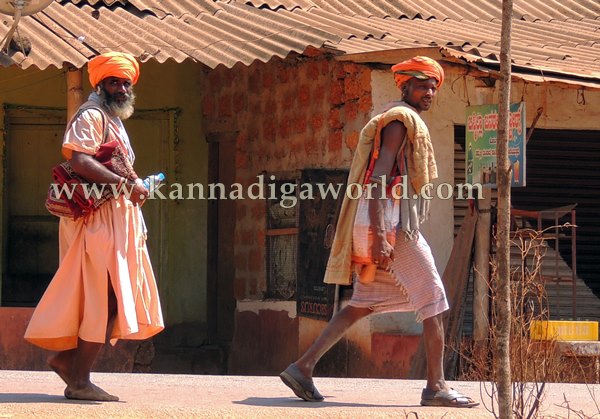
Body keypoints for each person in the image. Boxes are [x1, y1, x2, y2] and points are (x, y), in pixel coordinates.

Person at [280, 56, 479, 408]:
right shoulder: (399, 121)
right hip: (390, 223)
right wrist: (380, 231)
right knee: (434, 301)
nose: (429, 91)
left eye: (433, 86)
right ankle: (436, 387)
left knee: (360, 304)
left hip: (381, 221)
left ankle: (302, 367)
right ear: (405, 86)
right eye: (422, 85)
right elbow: (378, 178)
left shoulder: (397, 118)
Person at [25, 52, 164, 402]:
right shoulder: (90, 114)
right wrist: (125, 184)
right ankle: (79, 380)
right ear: (100, 83)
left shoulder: (112, 118)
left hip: (117, 219)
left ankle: (68, 362)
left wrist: (133, 186)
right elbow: (79, 158)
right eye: (113, 81)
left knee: (114, 296)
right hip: (98, 223)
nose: (120, 87)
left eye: (125, 82)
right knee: (105, 295)